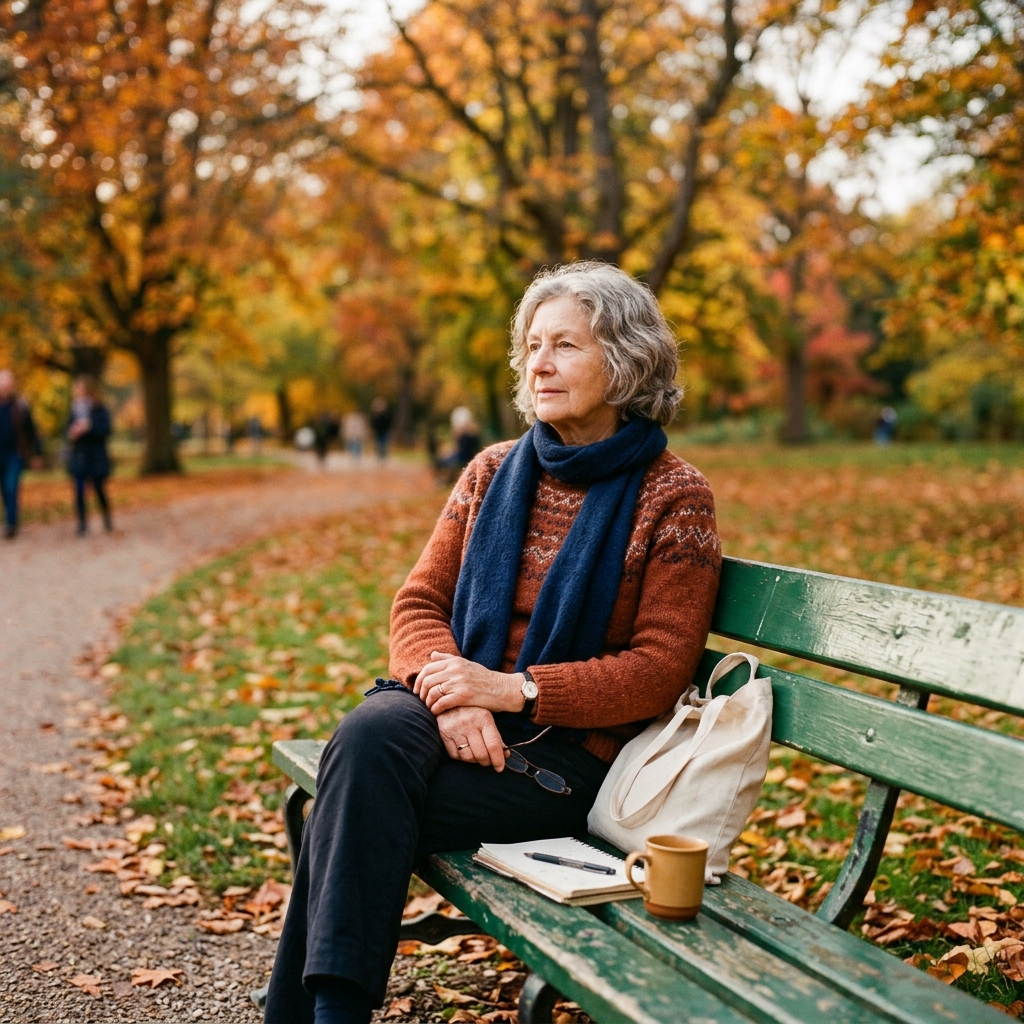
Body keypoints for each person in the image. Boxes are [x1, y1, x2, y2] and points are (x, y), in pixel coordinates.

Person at [264, 262, 723, 1024]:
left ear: (627, 358)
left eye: (565, 346)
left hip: (560, 761)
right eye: (532, 346)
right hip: (454, 719)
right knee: (370, 735)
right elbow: (418, 604)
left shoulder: (674, 497)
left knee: (356, 792)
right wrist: (453, 700)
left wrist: (514, 691)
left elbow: (660, 668)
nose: (538, 364)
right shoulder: (489, 472)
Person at [66, 375, 112, 536]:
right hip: (80, 457)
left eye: (83, 391)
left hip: (96, 457)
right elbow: (67, 431)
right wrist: (72, 432)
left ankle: (106, 517)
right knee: (79, 491)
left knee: (99, 489)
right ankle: (82, 524)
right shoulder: (74, 410)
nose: (80, 394)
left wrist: (89, 428)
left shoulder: (100, 409)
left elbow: (106, 430)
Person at [0, 369, 43, 539]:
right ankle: (9, 520)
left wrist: (37, 454)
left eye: (8, 384)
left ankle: (11, 523)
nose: (5, 387)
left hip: (15, 455)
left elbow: (32, 432)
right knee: (5, 489)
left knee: (11, 486)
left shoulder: (20, 406)